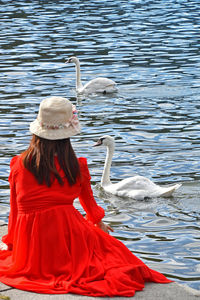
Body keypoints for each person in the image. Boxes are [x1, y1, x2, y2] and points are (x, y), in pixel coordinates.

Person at [0, 96, 171, 297]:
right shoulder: (76, 166)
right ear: (67, 136)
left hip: (31, 242)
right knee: (112, 254)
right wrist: (98, 224)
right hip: (66, 231)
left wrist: (13, 241)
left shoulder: (19, 165)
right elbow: (88, 203)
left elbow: (15, 208)